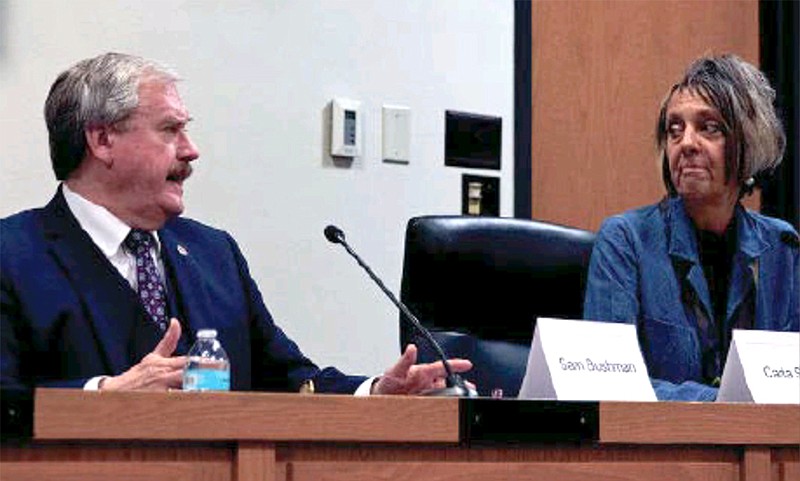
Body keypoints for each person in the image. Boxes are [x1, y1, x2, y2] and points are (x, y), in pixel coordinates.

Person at [0, 52, 472, 395]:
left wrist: (375, 393)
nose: (191, 150)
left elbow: (287, 379)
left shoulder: (213, 253)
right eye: (170, 130)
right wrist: (103, 395)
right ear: (102, 140)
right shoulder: (12, 254)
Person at [583, 54, 799, 401]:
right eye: (675, 130)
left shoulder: (783, 248)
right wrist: (722, 403)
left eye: (709, 127)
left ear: (749, 142)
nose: (686, 143)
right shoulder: (625, 241)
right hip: (659, 450)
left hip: (766, 451)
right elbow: (609, 387)